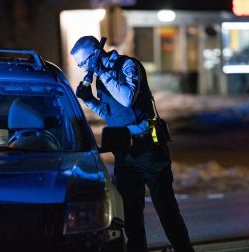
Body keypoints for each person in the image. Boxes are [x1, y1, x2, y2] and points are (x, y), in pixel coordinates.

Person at [71, 35, 195, 252]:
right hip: (125, 153)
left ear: (95, 55)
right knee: (131, 214)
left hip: (149, 150)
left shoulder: (128, 66)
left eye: (83, 63)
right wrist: (90, 100)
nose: (82, 68)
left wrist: (102, 73)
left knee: (166, 209)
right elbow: (112, 115)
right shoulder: (101, 79)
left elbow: (127, 98)